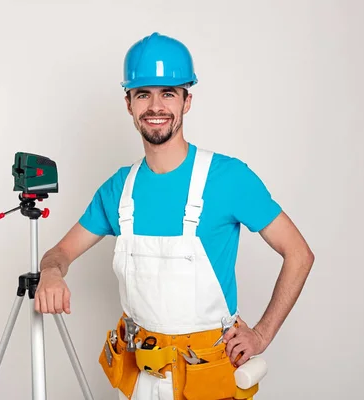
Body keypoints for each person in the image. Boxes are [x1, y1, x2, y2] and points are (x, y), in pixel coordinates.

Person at [34, 32, 315, 400]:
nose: (155, 106)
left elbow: (299, 254)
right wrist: (51, 272)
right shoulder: (120, 190)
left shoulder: (228, 178)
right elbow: (60, 252)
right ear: (129, 103)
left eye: (168, 93)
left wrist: (261, 333)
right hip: (139, 382)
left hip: (207, 381)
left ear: (187, 101)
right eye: (143, 94)